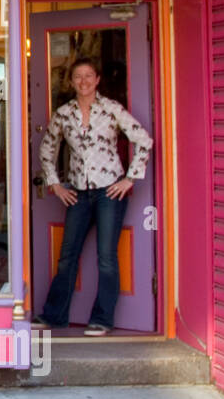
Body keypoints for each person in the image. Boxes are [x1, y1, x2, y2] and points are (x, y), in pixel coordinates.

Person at [33, 57, 153, 336]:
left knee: (106, 257)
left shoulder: (111, 109)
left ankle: (102, 319)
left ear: (97, 79)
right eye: (78, 77)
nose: (83, 81)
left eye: (89, 76)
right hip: (78, 192)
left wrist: (129, 179)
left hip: (109, 191)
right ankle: (54, 314)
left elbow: (143, 140)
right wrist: (56, 185)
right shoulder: (64, 114)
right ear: (71, 81)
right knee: (67, 256)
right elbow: (46, 150)